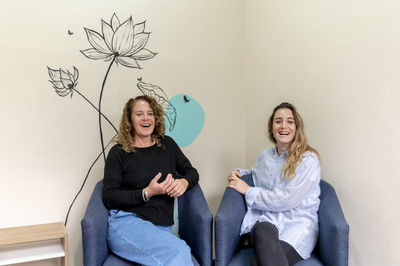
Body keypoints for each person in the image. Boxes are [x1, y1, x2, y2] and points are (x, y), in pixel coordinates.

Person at [102, 95, 199, 266]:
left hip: (161, 227)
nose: (146, 118)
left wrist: (183, 182)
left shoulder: (167, 145)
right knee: (180, 250)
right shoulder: (118, 153)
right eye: (139, 114)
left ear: (156, 118)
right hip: (126, 222)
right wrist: (147, 193)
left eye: (150, 113)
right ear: (129, 120)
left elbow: (192, 172)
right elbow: (109, 197)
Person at [227, 102, 321, 266]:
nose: (283, 126)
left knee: (258, 262)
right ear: (271, 127)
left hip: (297, 223)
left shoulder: (308, 160)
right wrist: (239, 172)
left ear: (297, 127)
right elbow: (256, 172)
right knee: (262, 230)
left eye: (290, 121)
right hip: (268, 220)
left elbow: (287, 200)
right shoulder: (265, 155)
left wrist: (248, 190)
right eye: (278, 121)